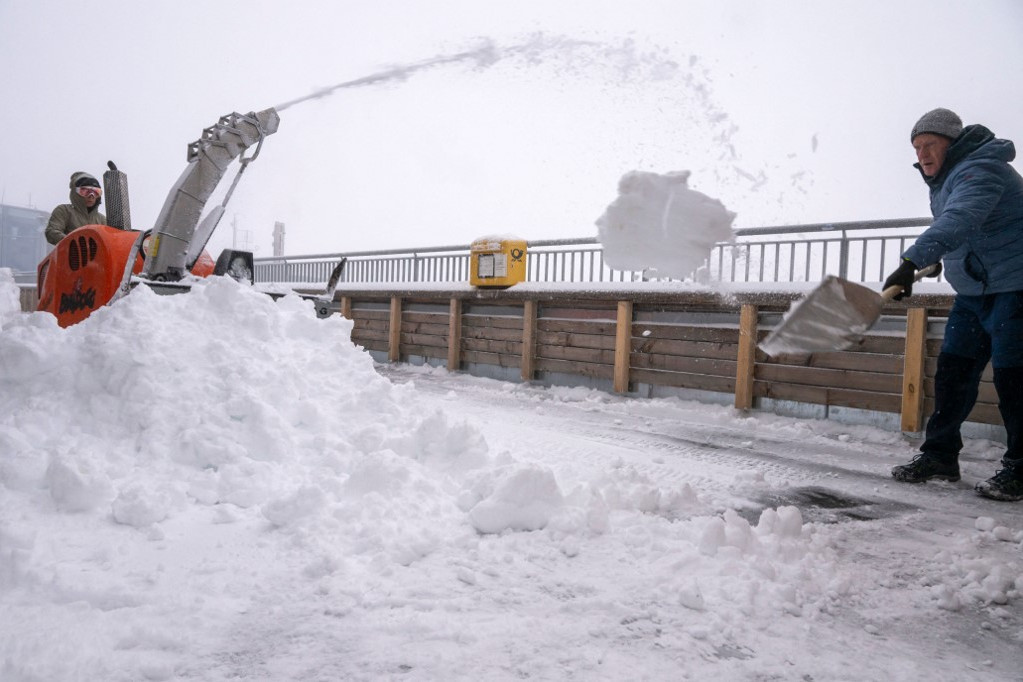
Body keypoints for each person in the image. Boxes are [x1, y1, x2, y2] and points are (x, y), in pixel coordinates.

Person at [887, 108, 1023, 502]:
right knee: (953, 373)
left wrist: (910, 260)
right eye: (916, 147)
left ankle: (1020, 466)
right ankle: (941, 456)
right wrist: (933, 262)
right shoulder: (947, 179)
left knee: (1015, 379)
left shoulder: (980, 169)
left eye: (930, 144)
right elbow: (969, 233)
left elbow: (961, 218)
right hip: (975, 293)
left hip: (1015, 287)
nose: (923, 154)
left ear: (953, 143)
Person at [44, 172, 107, 245]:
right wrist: (74, 243)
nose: (91, 196)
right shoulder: (64, 211)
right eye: (84, 191)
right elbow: (52, 232)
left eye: (96, 192)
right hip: (69, 255)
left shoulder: (102, 220)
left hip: (97, 256)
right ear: (75, 193)